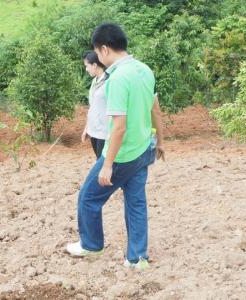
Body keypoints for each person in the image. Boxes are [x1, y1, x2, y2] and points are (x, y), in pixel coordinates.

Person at [66, 23, 164, 270]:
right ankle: (137, 258)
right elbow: (155, 109)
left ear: (105, 49)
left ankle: (91, 245)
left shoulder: (117, 78)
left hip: (123, 154)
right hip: (144, 149)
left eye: (97, 52)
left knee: (88, 197)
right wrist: (160, 141)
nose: (97, 57)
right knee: (136, 203)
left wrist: (107, 164)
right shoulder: (144, 70)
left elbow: (118, 126)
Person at [82, 51, 109, 159]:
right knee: (99, 160)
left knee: (102, 162)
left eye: (87, 66)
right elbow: (92, 107)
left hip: (105, 132)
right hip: (94, 131)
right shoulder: (94, 82)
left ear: (94, 65)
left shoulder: (109, 81)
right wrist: (87, 128)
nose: (86, 69)